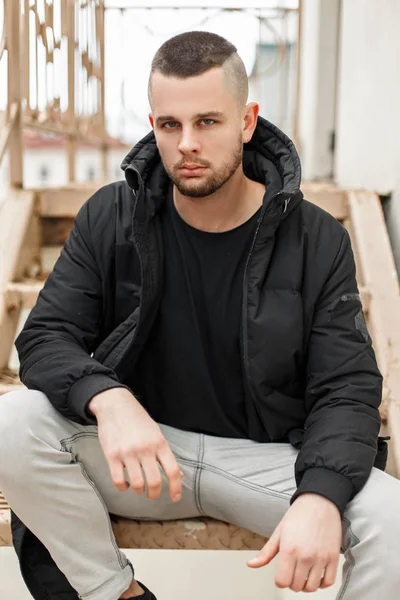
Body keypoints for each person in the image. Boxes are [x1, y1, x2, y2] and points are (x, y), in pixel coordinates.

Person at [0, 30, 397, 600]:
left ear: (247, 121)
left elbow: (347, 386)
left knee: (392, 523)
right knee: (13, 423)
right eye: (170, 125)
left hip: (265, 462)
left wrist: (318, 496)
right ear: (154, 124)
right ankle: (116, 594)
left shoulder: (316, 238)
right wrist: (107, 399)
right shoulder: (112, 216)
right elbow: (46, 336)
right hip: (146, 459)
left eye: (207, 122)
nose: (187, 143)